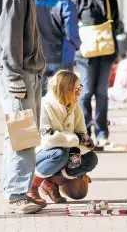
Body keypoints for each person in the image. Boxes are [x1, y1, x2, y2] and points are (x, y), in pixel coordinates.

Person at [0, 0, 63, 214]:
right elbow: (9, 38)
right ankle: (16, 194)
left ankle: (13, 190)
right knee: (23, 134)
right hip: (16, 73)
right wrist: (14, 77)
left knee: (19, 134)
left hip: (22, 72)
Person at [28, 70, 98, 206]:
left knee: (91, 159)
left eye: (80, 88)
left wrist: (78, 144)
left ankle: (51, 182)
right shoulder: (44, 105)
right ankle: (32, 186)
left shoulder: (75, 106)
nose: (79, 93)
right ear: (64, 90)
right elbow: (48, 141)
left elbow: (83, 136)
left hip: (67, 151)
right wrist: (74, 139)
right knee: (58, 155)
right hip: (41, 153)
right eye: (75, 89)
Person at [72, 0, 123, 147]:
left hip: (106, 51)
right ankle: (85, 132)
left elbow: (116, 24)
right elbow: (69, 21)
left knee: (102, 92)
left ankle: (102, 133)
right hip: (85, 53)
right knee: (86, 93)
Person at [36, 0, 81, 95]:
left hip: (40, 55)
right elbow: (71, 33)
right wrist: (78, 45)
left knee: (40, 97)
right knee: (64, 97)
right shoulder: (66, 3)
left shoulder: (37, 1)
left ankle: (42, 116)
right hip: (62, 56)